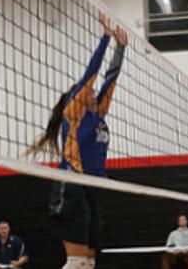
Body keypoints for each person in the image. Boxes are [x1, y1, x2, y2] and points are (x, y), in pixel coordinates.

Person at [26, 13, 128, 269]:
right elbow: (92, 74)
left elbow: (110, 77)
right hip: (71, 185)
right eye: (88, 91)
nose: (93, 92)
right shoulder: (73, 114)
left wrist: (121, 47)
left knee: (89, 262)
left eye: (93, 92)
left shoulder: (98, 114)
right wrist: (105, 37)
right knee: (77, 262)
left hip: (92, 186)